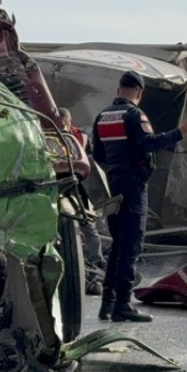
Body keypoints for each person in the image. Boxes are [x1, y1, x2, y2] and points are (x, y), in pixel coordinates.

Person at [91, 71, 187, 322]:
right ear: (139, 93)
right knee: (131, 245)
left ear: (119, 90)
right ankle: (123, 305)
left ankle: (107, 304)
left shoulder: (102, 117)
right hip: (133, 187)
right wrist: (181, 132)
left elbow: (97, 155)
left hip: (112, 186)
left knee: (117, 245)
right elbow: (149, 142)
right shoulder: (135, 114)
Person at [60, 108, 106, 297]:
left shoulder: (79, 136)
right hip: (58, 187)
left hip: (78, 188)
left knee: (89, 227)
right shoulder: (48, 136)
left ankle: (97, 262)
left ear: (70, 121)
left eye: (64, 121)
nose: (62, 124)